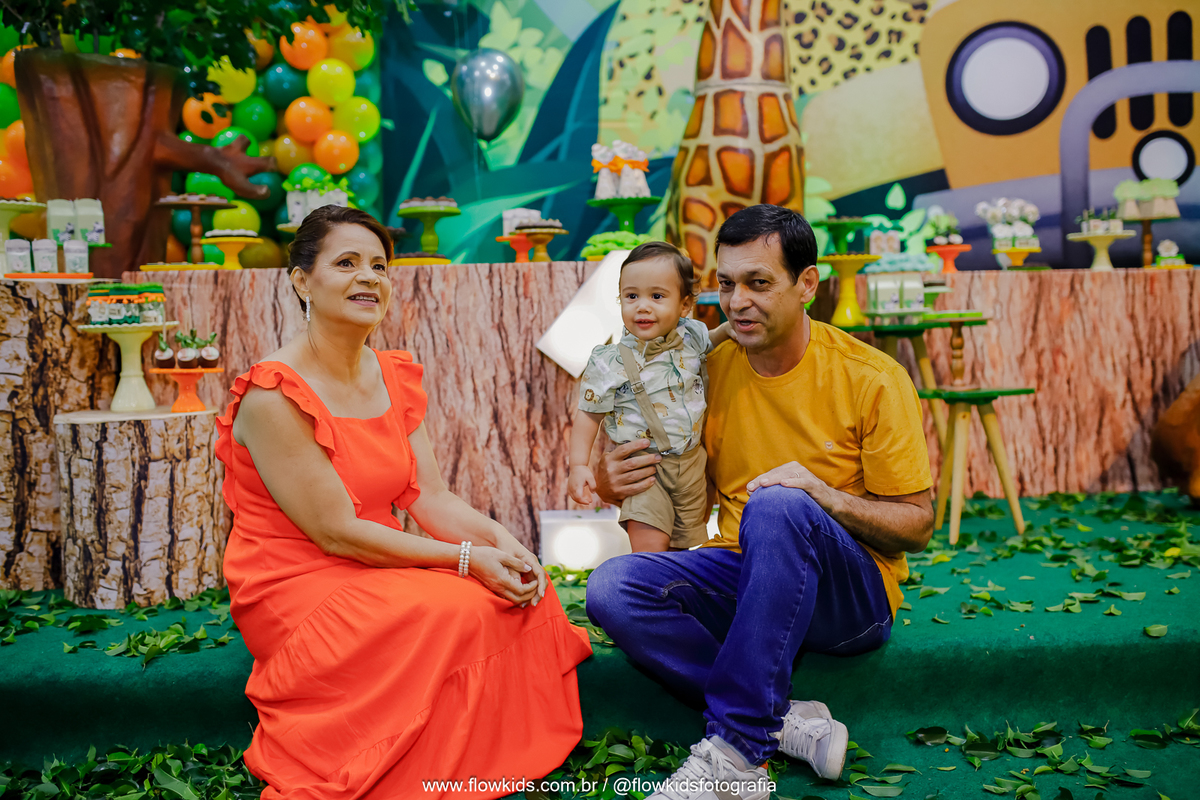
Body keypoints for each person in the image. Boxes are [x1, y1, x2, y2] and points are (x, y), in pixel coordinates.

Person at [215, 205, 592, 800]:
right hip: (299, 581)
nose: (369, 278)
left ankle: (478, 753)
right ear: (302, 281)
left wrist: (505, 543)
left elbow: (431, 496)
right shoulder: (273, 394)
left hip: (377, 557)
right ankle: (406, 761)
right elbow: (336, 532)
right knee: (457, 609)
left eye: (379, 266)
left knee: (520, 594)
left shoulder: (391, 374)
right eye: (346, 263)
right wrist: (465, 560)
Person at [585, 205, 934, 800]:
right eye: (726, 284)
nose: (738, 302)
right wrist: (610, 477)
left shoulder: (873, 377)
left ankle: (738, 755)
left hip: (853, 601)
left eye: (758, 283)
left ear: (807, 284)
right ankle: (784, 718)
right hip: (748, 578)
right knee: (613, 587)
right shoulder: (703, 372)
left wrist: (825, 499)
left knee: (777, 505)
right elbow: (672, 477)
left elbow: (917, 525)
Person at [569, 242, 731, 552]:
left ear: (684, 305)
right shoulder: (610, 361)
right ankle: (646, 578)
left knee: (685, 549)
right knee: (651, 551)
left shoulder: (691, 336)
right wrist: (579, 465)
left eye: (657, 296)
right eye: (631, 296)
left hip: (690, 466)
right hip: (644, 469)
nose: (642, 307)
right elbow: (588, 414)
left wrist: (729, 331)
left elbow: (711, 340)